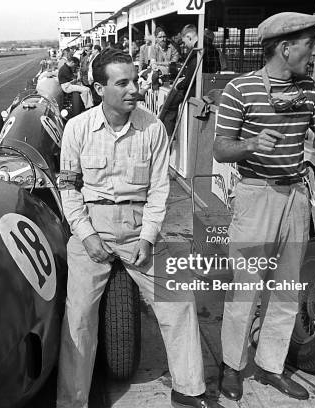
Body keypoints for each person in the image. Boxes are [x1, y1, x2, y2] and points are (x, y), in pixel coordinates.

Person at [57, 48, 223, 408]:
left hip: (140, 228)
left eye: (135, 79)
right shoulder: (78, 128)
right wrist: (86, 236)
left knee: (179, 301)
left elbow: (160, 188)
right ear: (99, 89)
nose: (134, 88)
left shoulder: (153, 128)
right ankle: (72, 402)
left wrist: (148, 238)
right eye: (123, 82)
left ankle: (188, 389)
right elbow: (68, 187)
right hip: (92, 228)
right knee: (79, 319)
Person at [213, 12, 315, 402]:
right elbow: (220, 147)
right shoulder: (239, 90)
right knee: (245, 289)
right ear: (286, 48)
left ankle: (271, 366)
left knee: (286, 288)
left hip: (295, 195)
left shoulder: (309, 89)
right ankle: (232, 365)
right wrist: (249, 144)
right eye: (310, 45)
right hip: (255, 196)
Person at [160, 24, 201, 136]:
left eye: (184, 42)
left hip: (193, 88)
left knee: (169, 105)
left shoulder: (196, 52)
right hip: (200, 84)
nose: (185, 45)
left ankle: (166, 135)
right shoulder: (209, 49)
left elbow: (190, 79)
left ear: (189, 37)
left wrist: (179, 85)